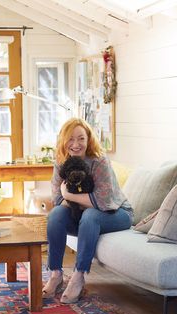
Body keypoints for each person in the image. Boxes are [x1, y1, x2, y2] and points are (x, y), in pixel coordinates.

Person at [42, 118, 133, 304]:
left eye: (81, 138)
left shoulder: (99, 161)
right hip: (84, 216)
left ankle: (78, 276)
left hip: (118, 213)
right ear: (63, 140)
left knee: (91, 215)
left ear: (88, 139)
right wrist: (72, 198)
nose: (76, 144)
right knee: (56, 215)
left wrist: (69, 194)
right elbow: (58, 201)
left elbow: (103, 201)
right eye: (71, 139)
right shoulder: (61, 162)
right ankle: (56, 273)